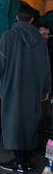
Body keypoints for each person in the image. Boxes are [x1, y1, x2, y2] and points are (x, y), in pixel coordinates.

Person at [0, 5, 51, 173]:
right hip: (34, 91)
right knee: (30, 124)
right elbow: (46, 66)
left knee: (13, 124)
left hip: (12, 89)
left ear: (16, 18)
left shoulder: (9, 36)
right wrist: (46, 89)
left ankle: (20, 162)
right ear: (32, 19)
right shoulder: (40, 39)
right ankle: (25, 161)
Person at [35, 24, 53, 155]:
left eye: (47, 34)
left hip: (46, 91)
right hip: (34, 90)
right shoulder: (32, 48)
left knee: (41, 120)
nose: (45, 37)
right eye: (43, 34)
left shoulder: (49, 48)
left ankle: (41, 148)